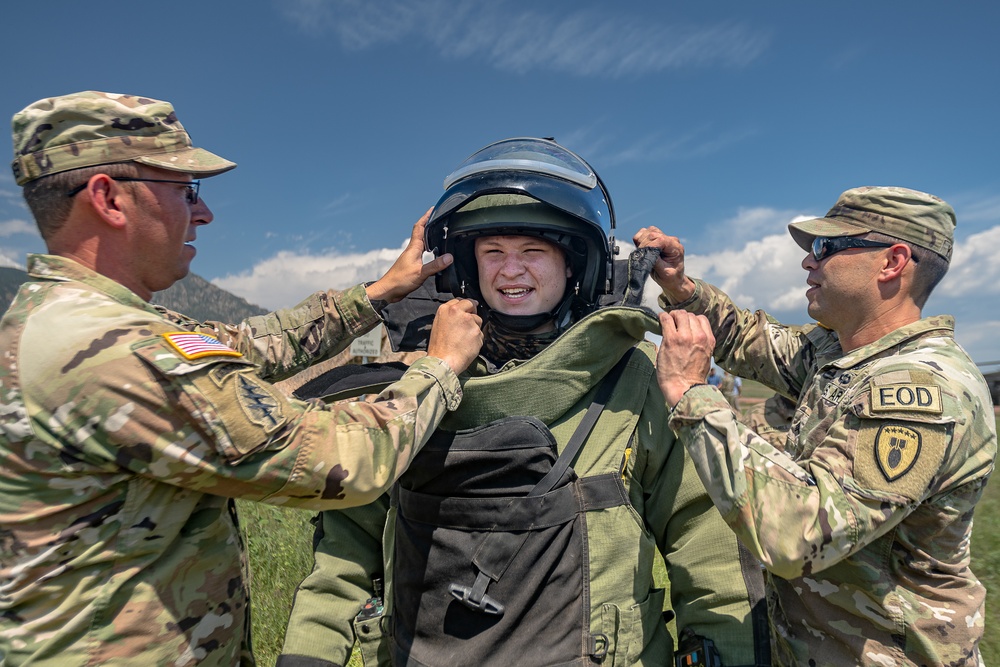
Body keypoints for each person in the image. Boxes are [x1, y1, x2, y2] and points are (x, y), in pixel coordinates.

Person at [0, 91, 483, 667]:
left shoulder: (83, 320)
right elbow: (341, 461)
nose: (203, 214)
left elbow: (250, 346)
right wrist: (440, 366)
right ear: (108, 198)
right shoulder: (102, 348)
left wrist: (377, 294)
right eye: (185, 191)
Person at [278, 138, 770, 667]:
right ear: (464, 267)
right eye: (493, 253)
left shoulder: (635, 382)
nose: (510, 271)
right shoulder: (416, 387)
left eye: (532, 252)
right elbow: (344, 558)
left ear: (576, 266)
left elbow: (709, 553)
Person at [636, 186, 997, 665]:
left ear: (892, 262)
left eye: (825, 247)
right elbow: (749, 338)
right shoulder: (842, 354)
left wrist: (691, 393)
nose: (809, 262)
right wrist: (682, 288)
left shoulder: (921, 391)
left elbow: (798, 532)